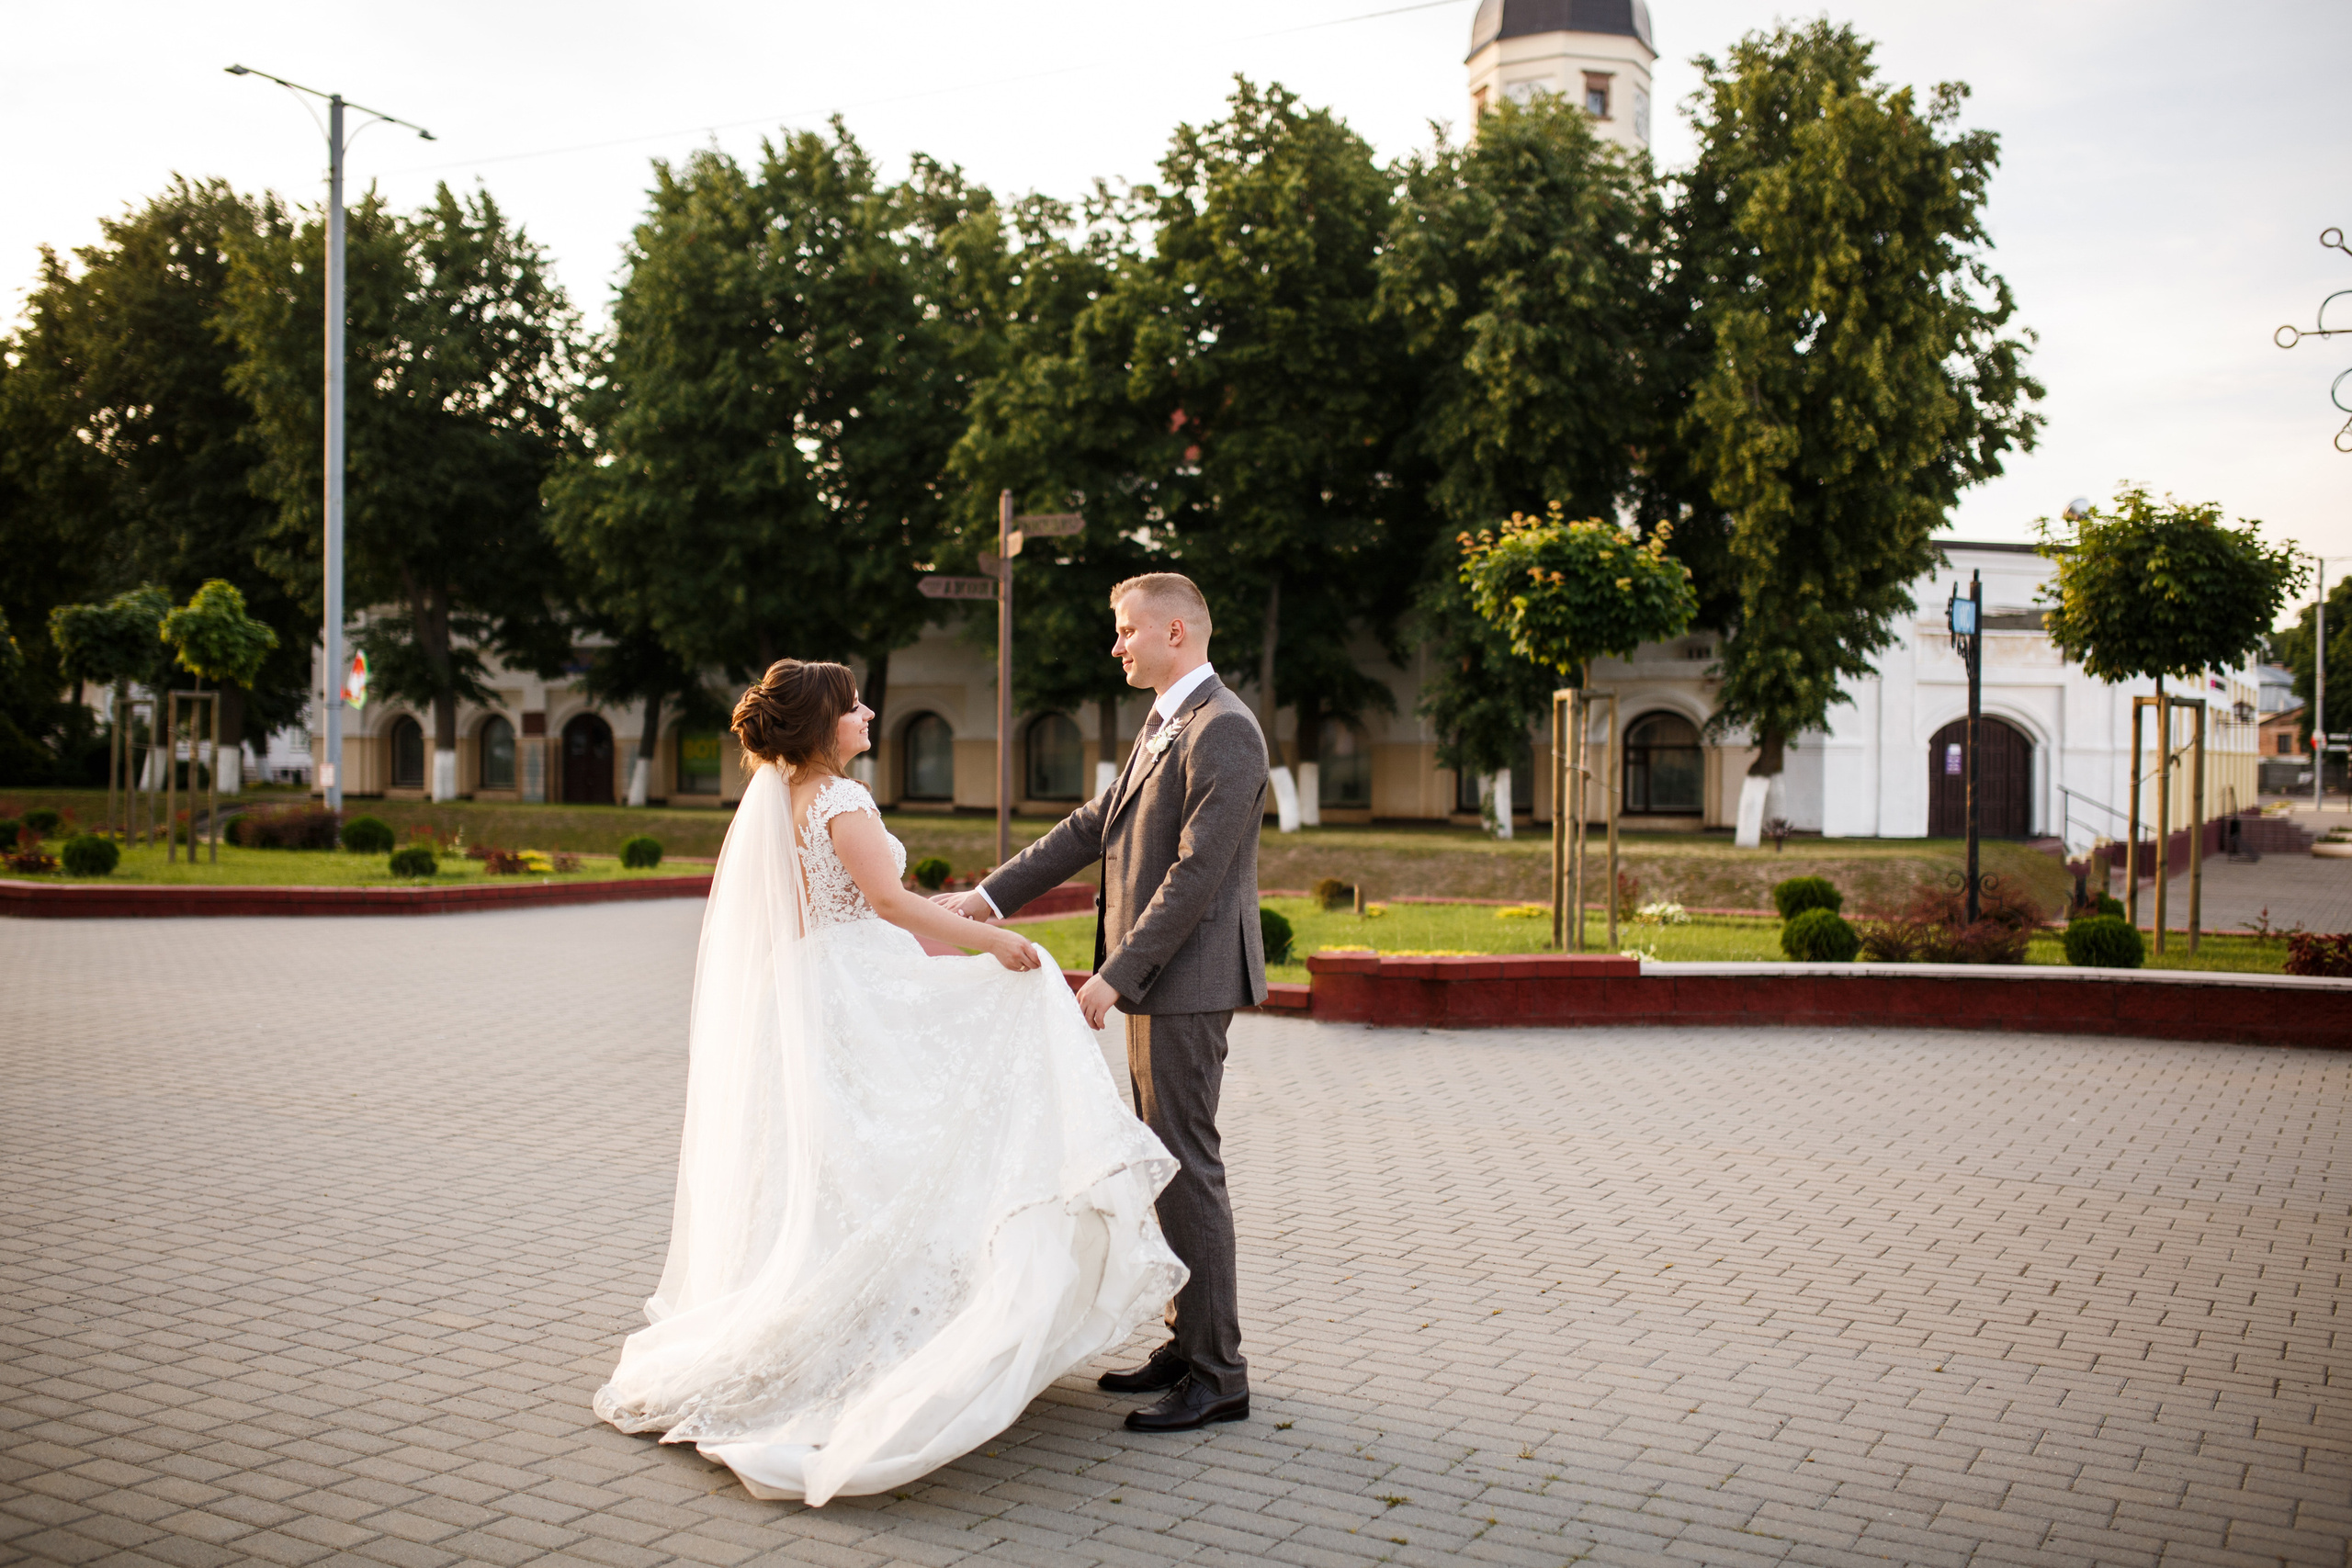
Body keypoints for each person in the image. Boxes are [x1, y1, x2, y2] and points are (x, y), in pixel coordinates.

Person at [593, 659, 1186, 1506]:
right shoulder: (842, 800)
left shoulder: (783, 799)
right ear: (821, 724)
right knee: (929, 1116)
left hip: (813, 989)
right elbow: (892, 903)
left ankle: (854, 1313)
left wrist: (959, 918)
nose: (868, 712)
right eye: (853, 705)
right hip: (859, 990)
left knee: (851, 1160)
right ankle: (890, 1327)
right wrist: (998, 943)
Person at [941, 571, 1267, 1432]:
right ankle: (1185, 1337)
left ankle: (1219, 1371)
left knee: (1186, 1165)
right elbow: (1095, 825)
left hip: (1186, 982)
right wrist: (988, 898)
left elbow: (1197, 873)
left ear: (1174, 631)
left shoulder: (1226, 729)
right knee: (1164, 1159)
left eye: (1125, 630)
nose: (1116, 644)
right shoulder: (1166, 721)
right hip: (1163, 980)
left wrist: (1117, 972)